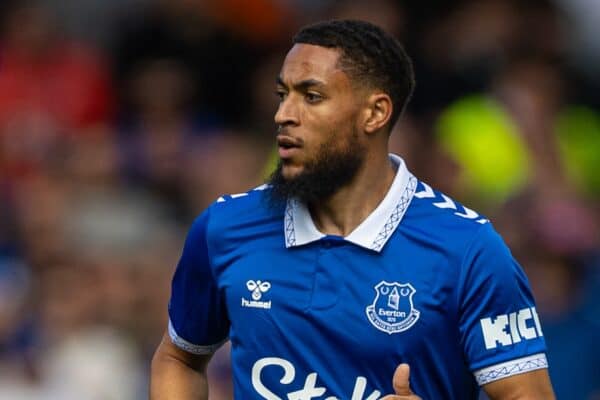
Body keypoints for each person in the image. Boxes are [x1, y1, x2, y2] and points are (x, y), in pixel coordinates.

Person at [150, 20, 555, 399]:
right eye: (282, 95)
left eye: (311, 96)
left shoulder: (468, 250)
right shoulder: (225, 227)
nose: (284, 115)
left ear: (375, 113)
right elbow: (179, 357)